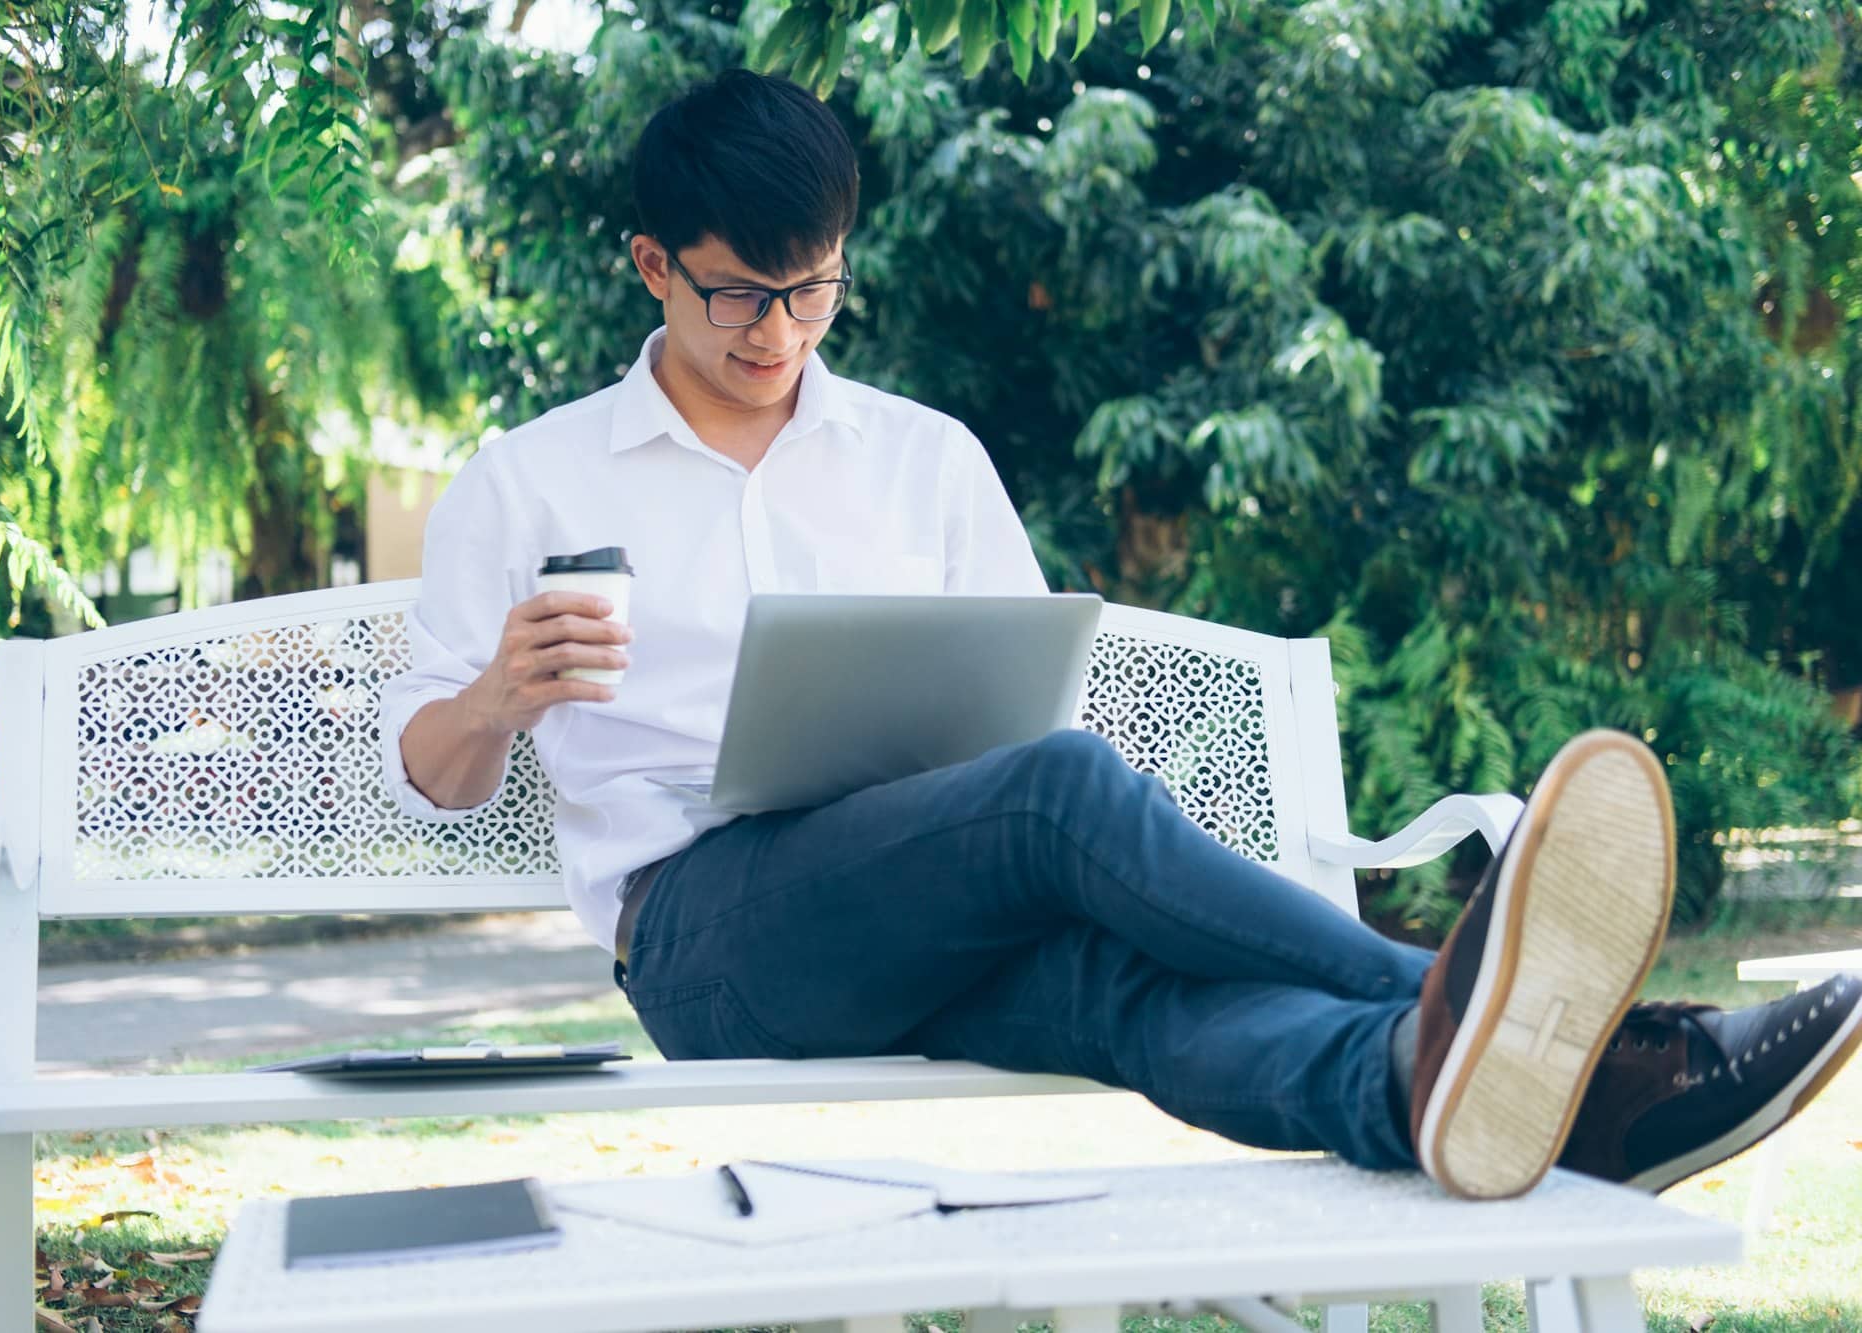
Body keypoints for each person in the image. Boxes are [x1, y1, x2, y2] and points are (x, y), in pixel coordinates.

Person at [380, 69, 1861, 1201]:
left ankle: (1508, 1094)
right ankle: (1577, 1032)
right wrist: (500, 697)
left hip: (931, 891)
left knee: (1125, 997)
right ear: (652, 265)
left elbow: (1016, 693)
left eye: (814, 286)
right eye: (736, 295)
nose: (778, 330)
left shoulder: (921, 456)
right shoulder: (533, 475)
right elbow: (426, 775)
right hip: (711, 944)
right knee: (1064, 792)